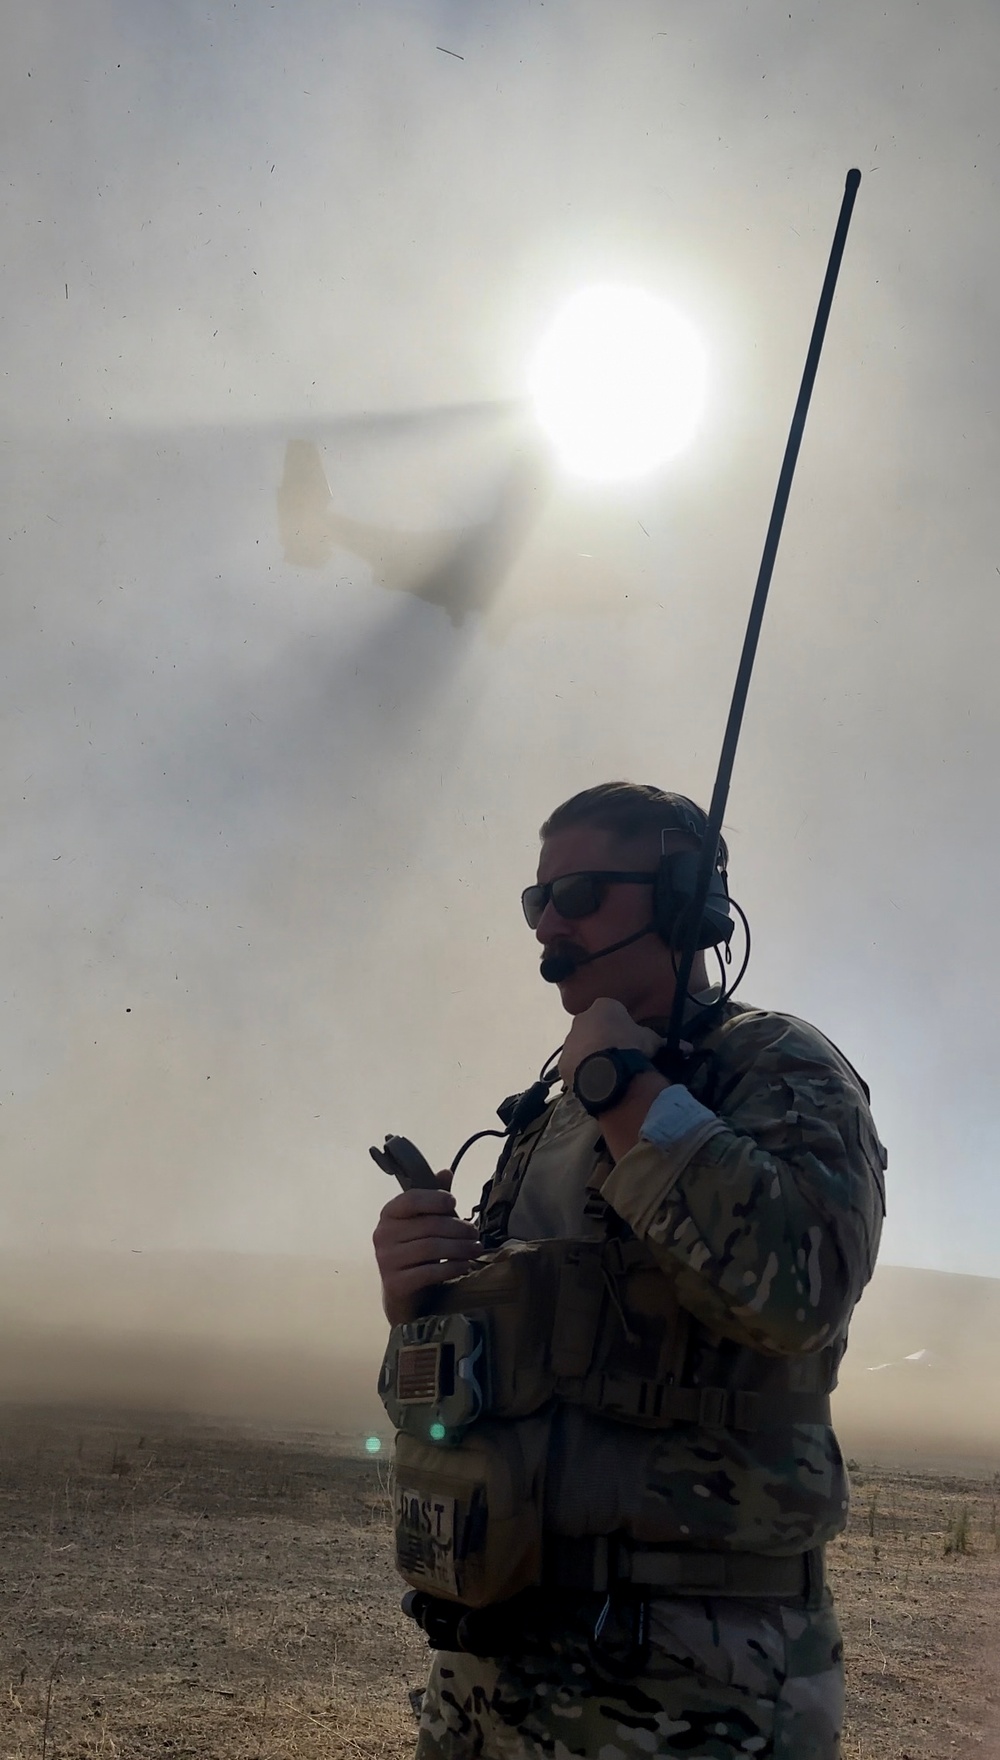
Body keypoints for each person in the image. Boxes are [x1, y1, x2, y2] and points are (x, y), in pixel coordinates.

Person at [373, 782, 886, 1760]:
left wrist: (625, 1089)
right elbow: (477, 1387)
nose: (550, 922)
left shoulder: (772, 1067)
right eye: (537, 901)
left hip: (688, 1682)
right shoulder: (542, 1119)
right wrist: (416, 1304)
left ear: (689, 902)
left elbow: (799, 1290)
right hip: (495, 1664)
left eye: (580, 893)